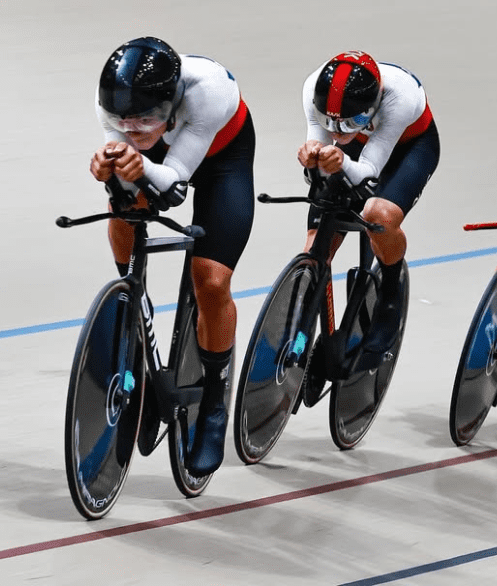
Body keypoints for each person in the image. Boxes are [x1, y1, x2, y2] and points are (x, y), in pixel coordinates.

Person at [89, 36, 256, 475]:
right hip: (163, 152)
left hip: (221, 159)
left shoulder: (207, 95)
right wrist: (111, 165)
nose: (133, 128)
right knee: (123, 200)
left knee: (211, 280)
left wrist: (139, 164)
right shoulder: (113, 104)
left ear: (171, 101)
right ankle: (131, 303)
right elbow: (130, 157)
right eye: (122, 121)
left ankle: (215, 404)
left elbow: (174, 187)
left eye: (145, 118)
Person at [297, 50, 440, 358]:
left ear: (372, 107)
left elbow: (369, 172)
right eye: (329, 122)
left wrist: (338, 161)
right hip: (355, 151)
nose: (336, 132)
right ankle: (303, 324)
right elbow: (319, 166)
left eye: (352, 122)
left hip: (408, 149)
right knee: (313, 250)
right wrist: (313, 158)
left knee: (379, 214)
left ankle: (390, 293)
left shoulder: (399, 97)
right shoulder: (313, 89)